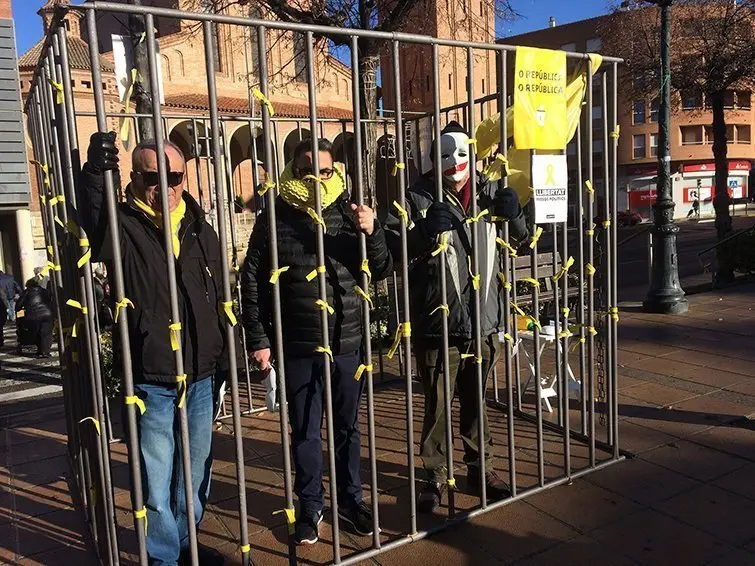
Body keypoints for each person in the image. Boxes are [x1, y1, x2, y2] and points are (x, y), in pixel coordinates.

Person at [78, 131, 227, 566]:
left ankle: (187, 544)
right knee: (156, 477)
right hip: (153, 373)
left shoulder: (201, 226)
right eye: (151, 176)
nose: (165, 185)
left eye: (175, 175)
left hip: (200, 372)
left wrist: (226, 356)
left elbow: (217, 297)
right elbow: (92, 224)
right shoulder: (121, 225)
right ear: (133, 178)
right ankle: (163, 557)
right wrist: (92, 174)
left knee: (196, 470)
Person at [241, 138, 392, 546]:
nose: (316, 179)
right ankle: (310, 505)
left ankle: (350, 499)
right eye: (307, 171)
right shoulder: (275, 213)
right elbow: (252, 279)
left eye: (323, 172)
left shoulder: (349, 209)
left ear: (334, 171)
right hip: (298, 344)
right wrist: (258, 338)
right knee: (305, 431)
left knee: (347, 428)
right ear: (293, 169)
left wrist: (373, 231)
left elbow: (380, 269)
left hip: (347, 341)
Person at [385, 121, 529, 513]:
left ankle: (481, 468)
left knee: (476, 401)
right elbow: (387, 252)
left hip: (482, 319)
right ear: (433, 159)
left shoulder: (490, 190)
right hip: (437, 321)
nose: (454, 162)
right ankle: (434, 474)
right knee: (436, 403)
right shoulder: (414, 198)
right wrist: (420, 234)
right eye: (444, 155)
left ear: (474, 154)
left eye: (461, 153)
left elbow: (522, 238)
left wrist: (515, 214)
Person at [15, 279, 54, 358]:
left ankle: (40, 350)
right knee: (46, 333)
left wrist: (19, 310)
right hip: (47, 313)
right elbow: (50, 300)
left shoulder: (27, 292)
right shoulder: (44, 291)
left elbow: (19, 304)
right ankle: (45, 352)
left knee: (35, 331)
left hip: (33, 315)